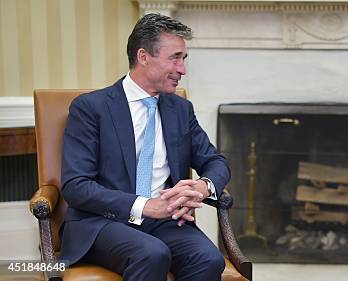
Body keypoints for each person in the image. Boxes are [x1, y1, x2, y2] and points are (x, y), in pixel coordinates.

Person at [60, 13, 229, 281]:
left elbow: (215, 161)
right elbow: (76, 186)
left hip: (165, 221)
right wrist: (145, 206)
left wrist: (202, 187)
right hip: (102, 222)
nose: (182, 69)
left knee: (209, 259)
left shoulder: (180, 109)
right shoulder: (91, 108)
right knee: (151, 253)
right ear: (143, 56)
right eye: (175, 58)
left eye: (184, 59)